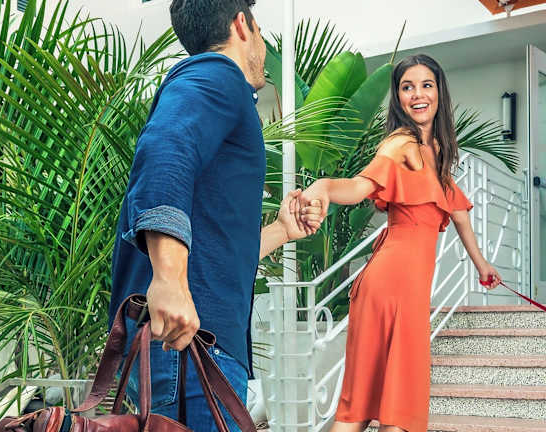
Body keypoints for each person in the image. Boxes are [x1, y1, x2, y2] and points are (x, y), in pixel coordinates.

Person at [108, 1, 321, 430]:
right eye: (261, 32)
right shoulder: (217, 74)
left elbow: (215, 251)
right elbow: (166, 148)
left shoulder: (209, 86)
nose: (263, 46)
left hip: (190, 348)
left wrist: (282, 230)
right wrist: (169, 279)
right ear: (242, 25)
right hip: (191, 348)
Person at [295, 54, 502, 432]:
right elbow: (361, 185)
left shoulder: (436, 150)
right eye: (408, 87)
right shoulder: (400, 142)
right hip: (390, 284)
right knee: (376, 409)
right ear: (398, 97)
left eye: (426, 85)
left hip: (408, 287)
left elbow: (458, 213)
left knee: (381, 407)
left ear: (439, 92)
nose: (418, 94)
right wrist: (324, 186)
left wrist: (481, 264)